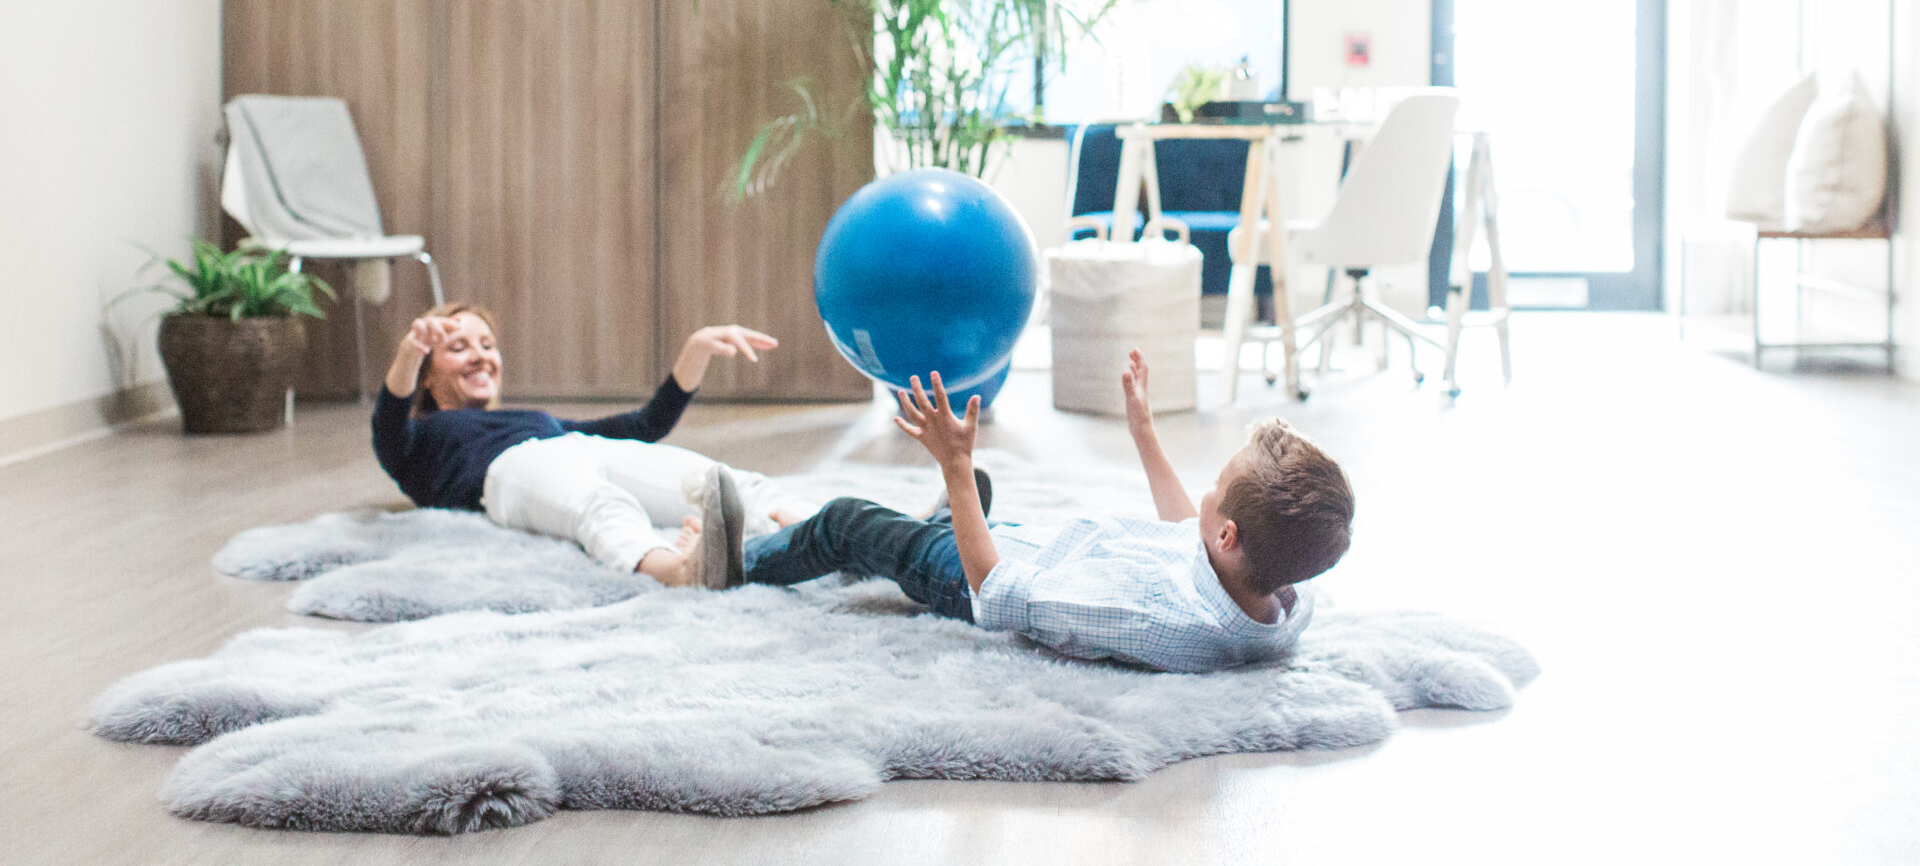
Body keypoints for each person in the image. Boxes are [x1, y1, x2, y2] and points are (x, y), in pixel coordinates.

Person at [735, 349, 1355, 674]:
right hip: (1034, 547)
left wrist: (952, 464)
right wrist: (1142, 431)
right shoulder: (1279, 596)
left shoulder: (1142, 613)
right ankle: (916, 529)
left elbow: (996, 592)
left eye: (1217, 483)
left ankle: (735, 559)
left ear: (1228, 535)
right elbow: (1187, 536)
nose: (1208, 488)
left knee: (849, 519)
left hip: (967, 577)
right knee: (957, 506)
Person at [372, 302, 816, 589]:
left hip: (575, 445)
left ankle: (818, 529)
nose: (480, 355)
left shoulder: (537, 420)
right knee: (602, 504)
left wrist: (695, 350)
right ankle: (681, 571)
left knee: (718, 481)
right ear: (426, 375)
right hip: (510, 471)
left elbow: (645, 425)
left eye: (487, 344)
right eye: (457, 347)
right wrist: (411, 350)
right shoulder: (423, 441)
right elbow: (387, 427)